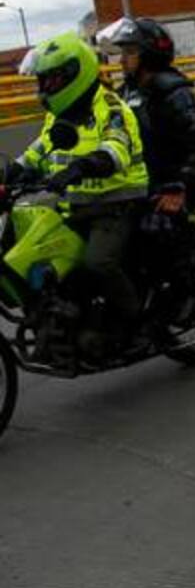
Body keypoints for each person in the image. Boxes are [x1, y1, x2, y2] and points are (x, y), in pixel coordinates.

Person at [3, 32, 149, 353]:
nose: (45, 89)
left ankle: (136, 322)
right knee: (44, 252)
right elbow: (37, 152)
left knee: (97, 262)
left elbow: (116, 149)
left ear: (74, 74)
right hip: (78, 206)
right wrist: (11, 174)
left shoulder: (110, 107)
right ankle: (57, 320)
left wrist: (80, 168)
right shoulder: (59, 115)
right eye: (42, 81)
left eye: (51, 81)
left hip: (118, 202)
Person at [97, 17, 195, 208]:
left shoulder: (174, 92)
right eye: (123, 52)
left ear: (149, 55)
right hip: (140, 186)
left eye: (130, 52)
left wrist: (180, 188)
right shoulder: (127, 91)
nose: (122, 60)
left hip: (169, 190)